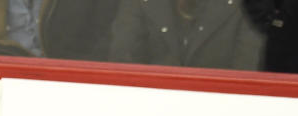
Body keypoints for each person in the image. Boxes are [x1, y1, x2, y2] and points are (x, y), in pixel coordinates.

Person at [109, 0, 265, 70]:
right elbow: (123, 63)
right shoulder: (141, 2)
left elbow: (247, 76)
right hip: (152, 110)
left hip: (219, 115)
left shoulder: (247, 6)